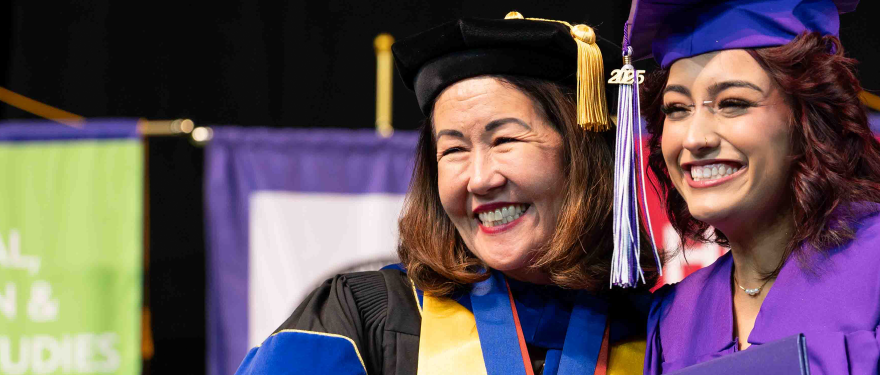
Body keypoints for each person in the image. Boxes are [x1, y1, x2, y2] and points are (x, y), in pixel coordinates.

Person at [234, 12, 658, 375]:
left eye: (505, 139)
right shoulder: (362, 319)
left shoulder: (660, 333)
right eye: (453, 149)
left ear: (583, 153)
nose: (478, 179)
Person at [625, 0, 880, 373]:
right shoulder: (677, 316)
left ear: (808, 118)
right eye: (677, 109)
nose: (694, 138)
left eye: (732, 103)